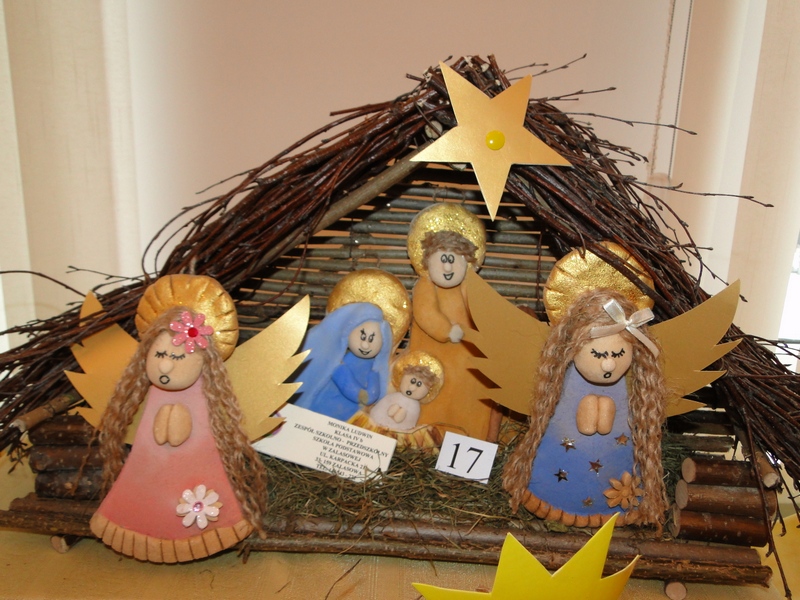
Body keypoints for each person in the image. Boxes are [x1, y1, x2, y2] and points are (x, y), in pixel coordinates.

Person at [90, 275, 267, 562]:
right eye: (160, 353)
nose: (165, 364)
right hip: (148, 470)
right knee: (143, 470)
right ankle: (136, 522)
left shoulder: (202, 398)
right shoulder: (155, 395)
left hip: (197, 492)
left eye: (180, 357)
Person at [502, 288, 668, 529]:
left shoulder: (632, 388)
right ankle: (554, 497)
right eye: (598, 354)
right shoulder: (561, 384)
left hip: (619, 482)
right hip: (554, 482)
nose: (609, 364)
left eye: (619, 353)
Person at [406, 203, 494, 440]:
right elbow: (425, 313)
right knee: (434, 395)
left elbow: (481, 313)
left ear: (467, 262)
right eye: (442, 259)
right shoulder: (426, 286)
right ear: (428, 260)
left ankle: (470, 437)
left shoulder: (470, 287)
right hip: (433, 358)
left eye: (454, 259)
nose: (447, 267)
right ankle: (429, 439)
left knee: (470, 394)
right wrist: (446, 330)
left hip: (467, 358)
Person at [368, 351, 443, 431]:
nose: (412, 388)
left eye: (418, 384)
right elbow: (381, 407)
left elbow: (409, 422)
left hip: (396, 433)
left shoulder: (414, 407)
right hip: (375, 425)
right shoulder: (393, 396)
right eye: (412, 381)